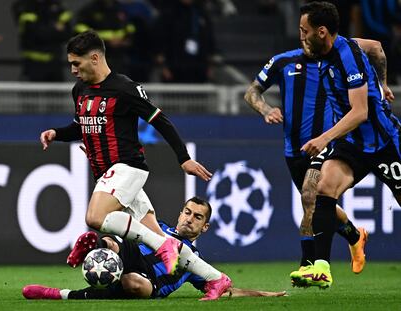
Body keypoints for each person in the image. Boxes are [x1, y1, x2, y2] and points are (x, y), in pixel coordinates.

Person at [39, 30, 230, 300]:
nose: (72, 70)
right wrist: (57, 134)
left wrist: (183, 158)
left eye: (76, 63)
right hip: (108, 174)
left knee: (95, 218)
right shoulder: (79, 90)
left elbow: (160, 120)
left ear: (95, 58)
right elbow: (80, 126)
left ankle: (160, 245)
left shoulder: (125, 88)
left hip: (128, 167)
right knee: (157, 233)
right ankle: (217, 279)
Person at [243, 36, 393, 274]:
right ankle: (354, 235)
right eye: (302, 33)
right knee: (314, 203)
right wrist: (266, 109)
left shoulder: (337, 58)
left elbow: (375, 48)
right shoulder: (283, 62)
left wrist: (382, 84)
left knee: (310, 194)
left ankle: (309, 263)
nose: (306, 38)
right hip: (294, 149)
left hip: (329, 142)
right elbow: (252, 92)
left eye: (308, 31)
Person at [290, 1, 401, 289]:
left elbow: (360, 112)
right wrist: (384, 83)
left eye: (305, 31)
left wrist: (324, 138)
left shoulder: (346, 57)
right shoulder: (337, 46)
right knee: (322, 188)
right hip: (352, 143)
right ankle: (322, 268)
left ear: (322, 32)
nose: (301, 36)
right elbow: (376, 47)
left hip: (384, 142)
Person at [22, 197, 287, 300]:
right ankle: (95, 242)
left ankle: (58, 293)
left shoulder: (196, 260)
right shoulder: (158, 227)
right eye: (187, 212)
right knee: (118, 243)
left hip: (151, 282)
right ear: (180, 212)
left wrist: (265, 294)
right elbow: (126, 199)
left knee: (132, 283)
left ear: (205, 227)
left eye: (197, 217)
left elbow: (225, 289)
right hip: (130, 257)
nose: (189, 219)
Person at [154, 0, 217, 83]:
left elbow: (209, 40)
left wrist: (210, 66)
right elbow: (159, 41)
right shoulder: (168, 13)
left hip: (199, 68)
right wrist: (163, 67)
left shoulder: (201, 13)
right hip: (174, 68)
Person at [11, 0, 72, 81]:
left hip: (55, 63)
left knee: (57, 92)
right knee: (32, 92)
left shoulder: (58, 6)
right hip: (33, 64)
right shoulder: (25, 6)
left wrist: (46, 30)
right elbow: (34, 34)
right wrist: (54, 29)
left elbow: (67, 34)